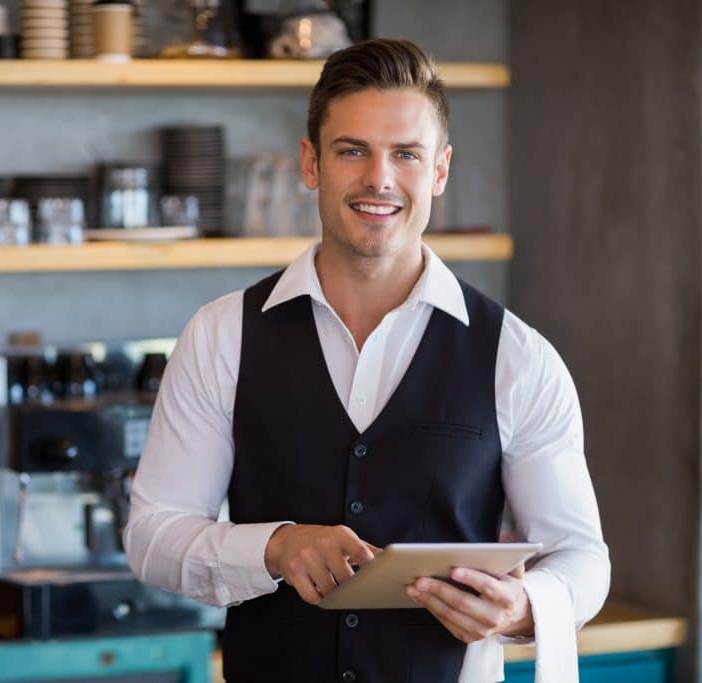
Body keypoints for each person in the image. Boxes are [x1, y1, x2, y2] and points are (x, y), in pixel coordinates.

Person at [124, 38, 610, 683]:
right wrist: (272, 547)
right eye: (352, 150)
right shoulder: (221, 336)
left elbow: (581, 557)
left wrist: (524, 607)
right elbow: (153, 537)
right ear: (311, 163)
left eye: (405, 154)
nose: (379, 178)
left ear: (439, 171)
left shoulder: (517, 357)